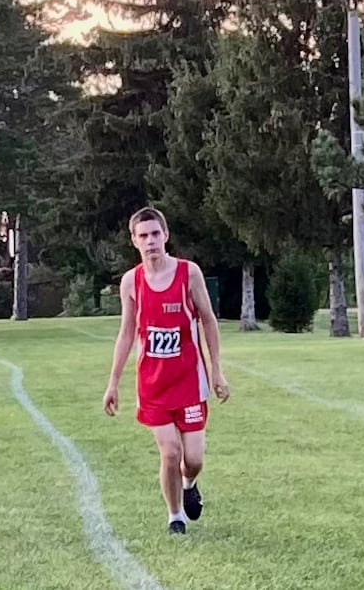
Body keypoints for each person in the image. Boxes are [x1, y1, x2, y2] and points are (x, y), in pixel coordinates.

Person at [102, 206, 230, 534]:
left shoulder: (189, 273)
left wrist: (217, 370)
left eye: (155, 234)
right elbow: (127, 332)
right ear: (134, 241)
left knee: (194, 459)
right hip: (153, 384)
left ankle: (189, 485)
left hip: (189, 379)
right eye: (143, 236)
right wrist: (113, 383)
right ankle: (175, 516)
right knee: (170, 453)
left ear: (166, 235)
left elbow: (208, 320)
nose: (150, 241)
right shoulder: (131, 281)